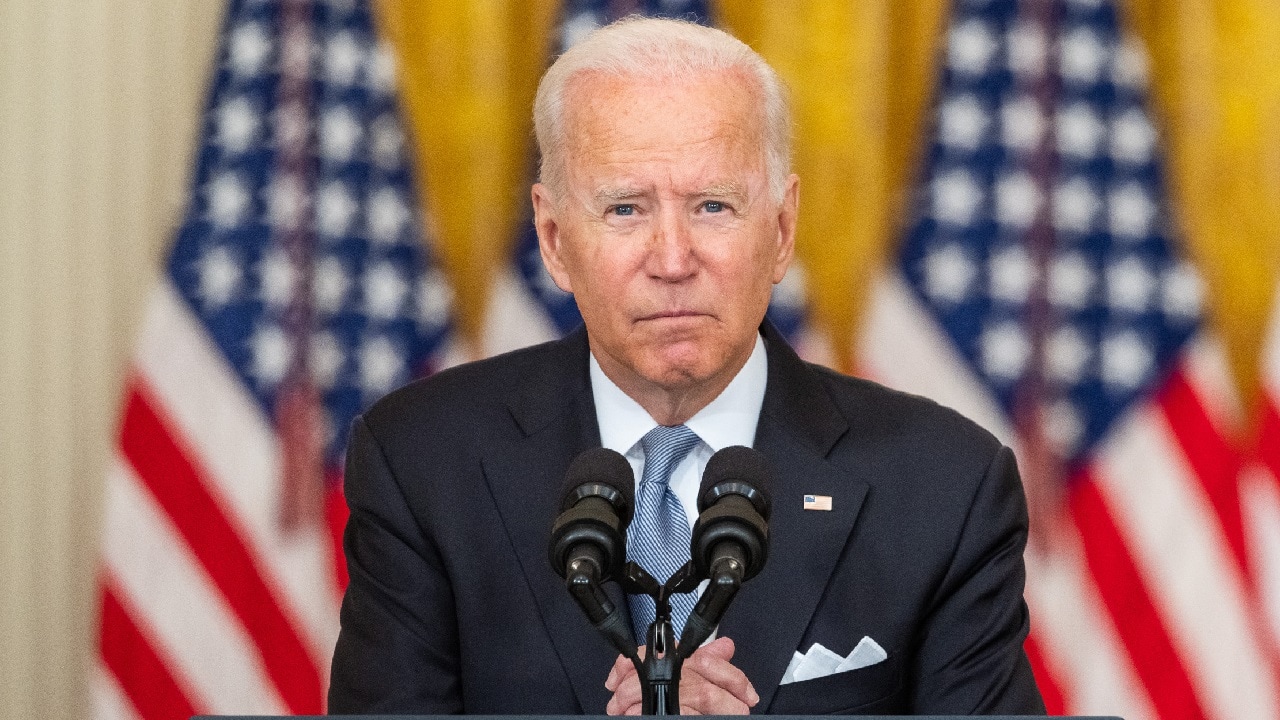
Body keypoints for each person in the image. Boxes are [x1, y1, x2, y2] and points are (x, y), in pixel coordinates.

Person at [328, 16, 1045, 716]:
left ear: (781, 230)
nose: (672, 261)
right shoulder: (423, 464)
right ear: (553, 239)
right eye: (625, 209)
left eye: (712, 206)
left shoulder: (945, 487)